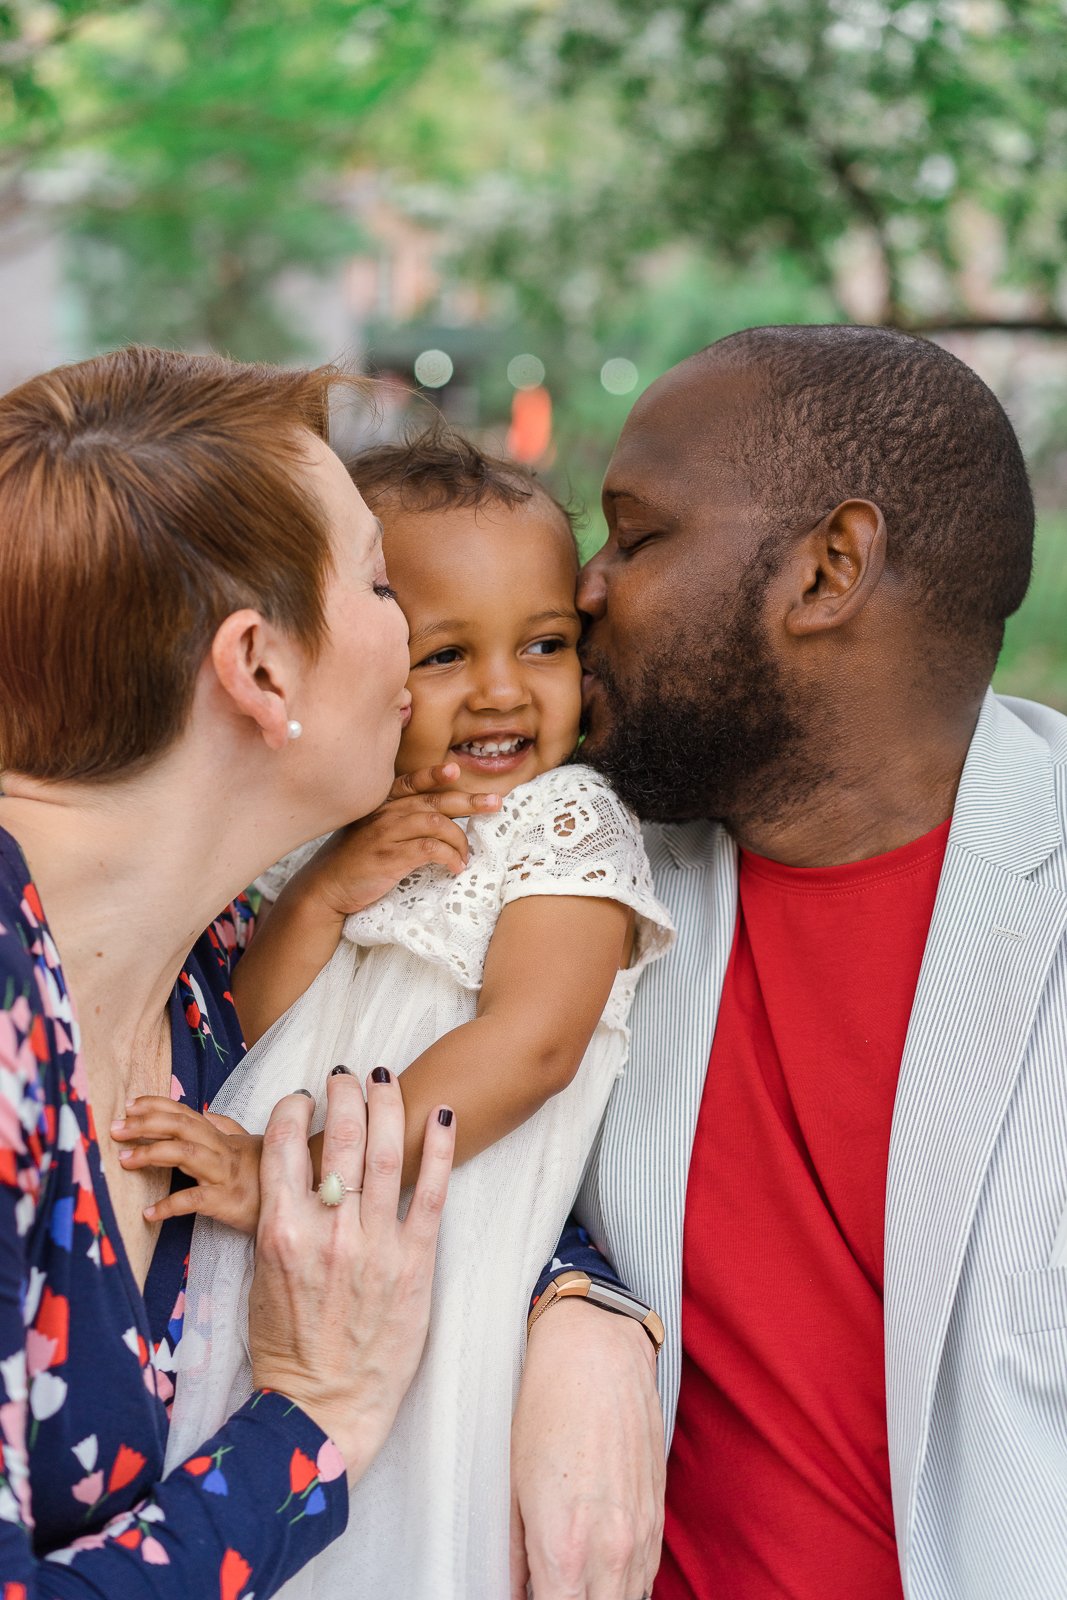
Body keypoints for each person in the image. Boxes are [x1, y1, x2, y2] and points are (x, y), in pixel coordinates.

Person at [511, 324, 1067, 1600]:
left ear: (826, 571)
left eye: (637, 536)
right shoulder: (569, 862)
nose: (582, 590)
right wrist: (570, 1296)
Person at [143, 430, 673, 1599]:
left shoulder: (566, 820)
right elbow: (262, 1022)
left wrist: (309, 1170)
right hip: (296, 1250)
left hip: (432, 1258)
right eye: (445, 653)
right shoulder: (342, 831)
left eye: (545, 643)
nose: (501, 688)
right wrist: (329, 890)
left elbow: (530, 1046)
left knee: (402, 1529)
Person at [0, 347, 457, 1596]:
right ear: (259, 669)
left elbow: (422, 1128)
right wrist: (310, 1423)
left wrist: (583, 1309)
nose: (415, 638)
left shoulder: (210, 970)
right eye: (378, 581)